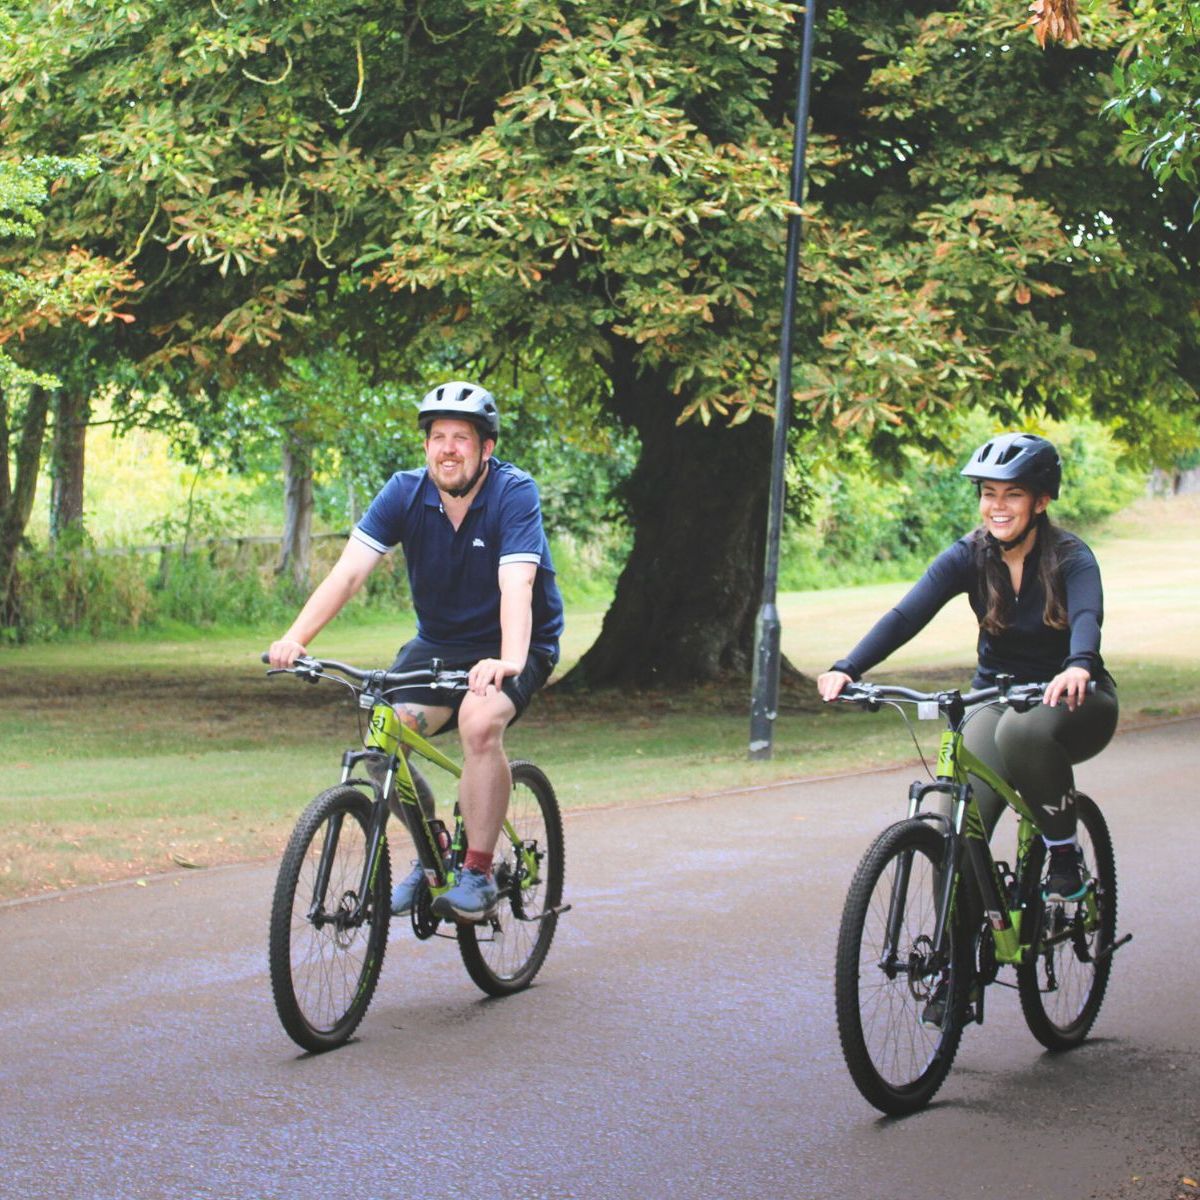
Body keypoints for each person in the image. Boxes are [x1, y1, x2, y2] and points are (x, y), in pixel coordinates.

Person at [268, 381, 564, 923]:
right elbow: (349, 572)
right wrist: (296, 639)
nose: (448, 448)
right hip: (438, 645)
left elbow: (516, 585)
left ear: (485, 449)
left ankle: (476, 869)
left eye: (462, 438)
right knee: (383, 734)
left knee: (479, 723)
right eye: (438, 437)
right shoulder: (404, 493)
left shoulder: (513, 493)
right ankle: (435, 853)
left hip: (513, 643)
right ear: (426, 445)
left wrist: (509, 661)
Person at [817, 432, 1119, 908]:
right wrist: (848, 667)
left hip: (1075, 699)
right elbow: (906, 615)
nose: (997, 506)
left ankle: (1063, 854)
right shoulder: (969, 554)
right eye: (988, 493)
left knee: (1021, 734)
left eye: (1013, 494)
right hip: (994, 699)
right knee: (958, 835)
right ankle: (956, 974)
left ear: (1041, 501)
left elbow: (1086, 616)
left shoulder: (1071, 556)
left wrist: (1079, 664)